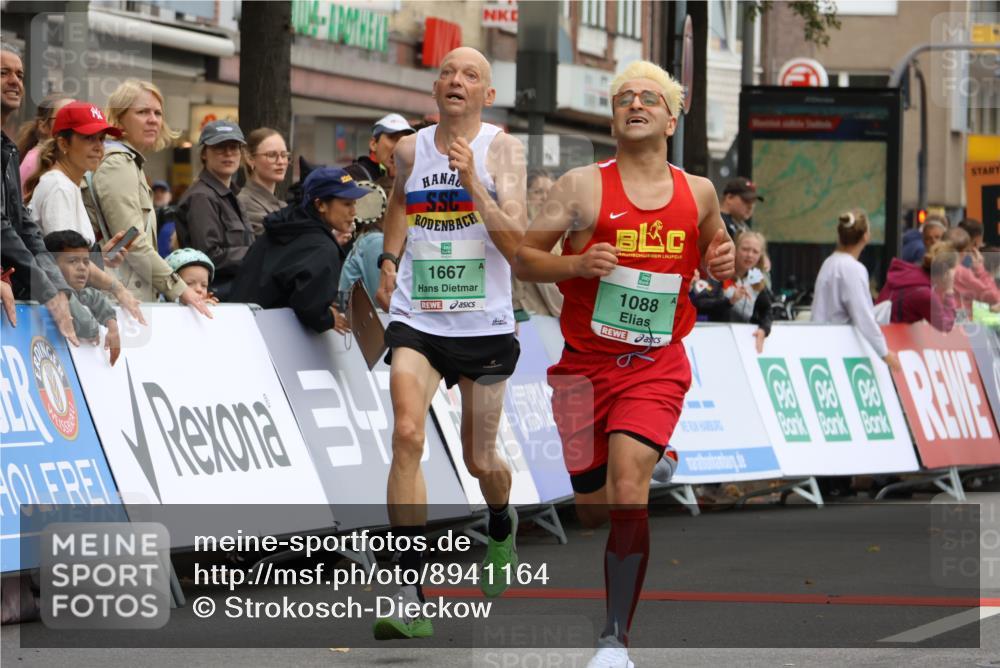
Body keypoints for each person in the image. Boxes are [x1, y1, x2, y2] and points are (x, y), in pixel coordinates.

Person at [514, 60, 735, 667]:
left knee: (627, 491)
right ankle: (650, 454)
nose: (634, 104)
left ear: (671, 116)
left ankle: (614, 641)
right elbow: (526, 261)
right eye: (623, 98)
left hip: (655, 363)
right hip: (584, 370)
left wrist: (724, 263)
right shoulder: (582, 187)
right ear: (614, 118)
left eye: (648, 98)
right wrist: (576, 266)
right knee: (591, 506)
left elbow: (719, 249)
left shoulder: (698, 192)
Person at [373, 46, 526, 640]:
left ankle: (500, 519)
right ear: (435, 88)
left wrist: (471, 182)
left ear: (487, 94)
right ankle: (410, 595)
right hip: (419, 318)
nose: (455, 80)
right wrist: (390, 259)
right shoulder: (411, 148)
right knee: (407, 433)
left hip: (484, 326)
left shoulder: (502, 149)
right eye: (447, 72)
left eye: (471, 75)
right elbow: (397, 202)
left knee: (479, 459)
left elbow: (515, 238)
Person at [87, 79, 210, 316]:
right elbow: (131, 241)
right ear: (119, 117)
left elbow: (127, 240)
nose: (153, 119)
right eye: (143, 112)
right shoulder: (117, 163)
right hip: (116, 303)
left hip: (123, 298)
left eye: (157, 113)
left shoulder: (129, 163)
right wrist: (180, 289)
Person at [21, 100, 145, 321]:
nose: (99, 146)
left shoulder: (68, 184)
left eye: (101, 138)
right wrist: (117, 288)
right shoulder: (58, 186)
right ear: (63, 143)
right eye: (88, 138)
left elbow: (71, 260)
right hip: (51, 318)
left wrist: (99, 258)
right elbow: (65, 265)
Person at [1, 47, 78, 345]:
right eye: (3, 73)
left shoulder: (7, 150)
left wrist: (56, 288)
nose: (14, 81)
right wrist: (47, 289)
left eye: (19, 74)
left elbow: (23, 226)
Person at [230, 166, 362, 333]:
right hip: (268, 338)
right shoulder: (321, 247)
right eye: (346, 203)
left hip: (238, 325)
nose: (353, 212)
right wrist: (328, 318)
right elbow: (311, 309)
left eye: (354, 203)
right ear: (320, 204)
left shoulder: (285, 226)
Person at [176, 120, 253, 301]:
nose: (228, 154)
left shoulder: (231, 194)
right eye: (220, 147)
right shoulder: (201, 197)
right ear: (204, 154)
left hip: (233, 295)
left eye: (234, 147)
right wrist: (256, 253)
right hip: (213, 298)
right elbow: (209, 255)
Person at [812, 210, 900, 369]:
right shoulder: (853, 269)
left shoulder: (829, 263)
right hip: (841, 349)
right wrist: (885, 353)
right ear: (866, 236)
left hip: (822, 344)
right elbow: (863, 316)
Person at [44, 230, 120, 366]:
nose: (82, 268)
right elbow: (87, 326)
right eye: (73, 261)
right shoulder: (54, 292)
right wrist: (95, 329)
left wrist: (112, 325)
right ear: (51, 265)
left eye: (86, 262)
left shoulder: (77, 291)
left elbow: (93, 296)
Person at [690, 230, 772, 353]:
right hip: (713, 341)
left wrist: (764, 329)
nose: (749, 255)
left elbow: (767, 310)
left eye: (755, 251)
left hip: (743, 345)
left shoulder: (756, 280)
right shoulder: (720, 272)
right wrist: (729, 301)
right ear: (735, 249)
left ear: (760, 256)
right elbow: (699, 303)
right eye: (745, 249)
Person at [512, 168, 563, 319]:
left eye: (550, 192)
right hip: (533, 319)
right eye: (538, 192)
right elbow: (548, 282)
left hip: (542, 318)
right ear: (525, 195)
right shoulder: (528, 231)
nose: (545, 197)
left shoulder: (555, 230)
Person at [877, 241, 959, 332]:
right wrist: (949, 291)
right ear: (946, 272)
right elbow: (945, 326)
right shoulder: (924, 293)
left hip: (883, 331)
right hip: (891, 338)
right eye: (955, 268)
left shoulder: (909, 274)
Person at [237, 127, 289, 237]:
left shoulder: (282, 205)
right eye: (271, 155)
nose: (280, 162)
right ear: (250, 159)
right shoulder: (245, 202)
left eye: (284, 155)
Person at [16, 92, 72, 192]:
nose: (73, 125)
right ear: (43, 126)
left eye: (78, 119)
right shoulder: (35, 160)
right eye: (64, 118)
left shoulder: (67, 158)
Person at [943, 226, 1000, 312]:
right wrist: (980, 269)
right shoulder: (961, 273)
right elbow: (993, 297)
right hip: (958, 321)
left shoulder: (935, 265)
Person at [719, 176, 762, 242]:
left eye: (753, 202)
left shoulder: (740, 224)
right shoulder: (719, 223)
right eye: (746, 200)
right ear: (729, 198)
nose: (751, 206)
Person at [152, 180, 178, 257]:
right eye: (155, 192)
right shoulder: (144, 217)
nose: (158, 195)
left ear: (170, 196)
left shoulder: (178, 217)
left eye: (162, 192)